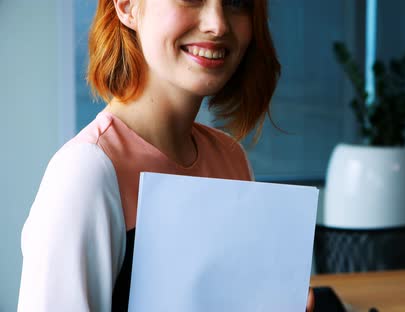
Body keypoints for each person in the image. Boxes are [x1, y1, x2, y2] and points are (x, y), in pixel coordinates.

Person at [17, 0, 314, 311]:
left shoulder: (231, 160)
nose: (219, 24)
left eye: (237, 2)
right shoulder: (87, 172)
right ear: (127, 6)